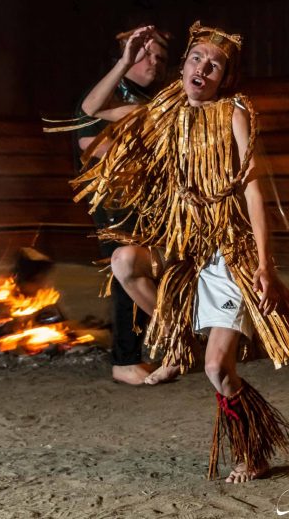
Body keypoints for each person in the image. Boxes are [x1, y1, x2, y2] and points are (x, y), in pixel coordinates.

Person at [73, 21, 289, 482]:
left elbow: (253, 191)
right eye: (196, 59)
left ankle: (253, 449)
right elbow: (92, 108)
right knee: (124, 261)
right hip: (184, 249)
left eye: (214, 65)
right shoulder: (164, 110)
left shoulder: (233, 111)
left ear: (224, 77)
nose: (202, 69)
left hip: (229, 252)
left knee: (219, 371)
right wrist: (126, 60)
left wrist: (265, 265)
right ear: (184, 64)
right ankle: (178, 342)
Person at [73, 25, 169, 386]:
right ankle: (125, 360)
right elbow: (88, 143)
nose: (154, 63)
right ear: (125, 57)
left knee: (147, 271)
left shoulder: (156, 97)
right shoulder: (108, 93)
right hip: (116, 200)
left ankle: (160, 343)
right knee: (123, 270)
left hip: (153, 201)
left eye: (160, 57)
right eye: (146, 55)